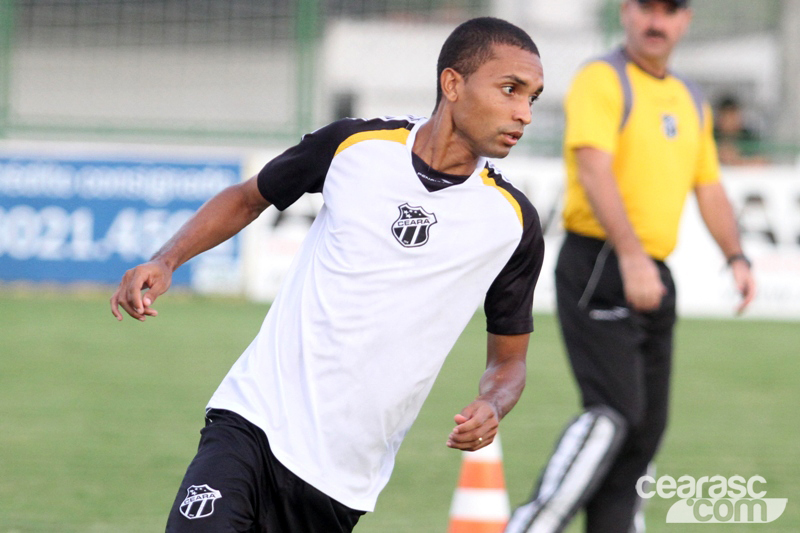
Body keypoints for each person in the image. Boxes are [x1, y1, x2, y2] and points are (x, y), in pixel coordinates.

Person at [110, 17, 546, 533]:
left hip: (341, 479)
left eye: (533, 98)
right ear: (452, 84)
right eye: (511, 90)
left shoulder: (512, 223)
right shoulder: (353, 148)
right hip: (252, 420)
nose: (523, 113)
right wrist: (166, 259)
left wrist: (492, 404)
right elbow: (249, 197)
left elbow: (509, 361)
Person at [505, 1, 756, 532]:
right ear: (626, 12)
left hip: (652, 269)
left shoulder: (689, 97)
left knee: (643, 432)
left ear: (686, 20)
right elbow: (593, 170)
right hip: (601, 259)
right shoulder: (603, 79)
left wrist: (735, 256)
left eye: (671, 10)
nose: (656, 21)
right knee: (612, 414)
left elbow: (708, 184)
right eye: (646, 7)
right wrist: (632, 255)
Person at [713, 94, 768, 165]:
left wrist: (738, 159)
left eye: (732, 116)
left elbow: (763, 159)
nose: (730, 122)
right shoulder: (711, 135)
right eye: (726, 117)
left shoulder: (748, 136)